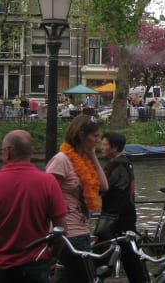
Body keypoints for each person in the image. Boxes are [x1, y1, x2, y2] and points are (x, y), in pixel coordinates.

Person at [0, 130, 68, 283]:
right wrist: (52, 253)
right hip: (36, 263)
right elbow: (61, 228)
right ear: (30, 151)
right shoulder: (48, 182)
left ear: (8, 151)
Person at [46, 114, 108, 283]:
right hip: (68, 234)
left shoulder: (85, 161)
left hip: (83, 232)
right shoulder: (61, 160)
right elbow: (46, 194)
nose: (98, 140)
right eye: (94, 136)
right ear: (82, 135)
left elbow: (104, 187)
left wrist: (93, 156)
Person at [100, 132, 146, 283]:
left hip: (118, 215)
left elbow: (102, 187)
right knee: (127, 252)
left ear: (114, 147)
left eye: (105, 144)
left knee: (123, 252)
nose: (101, 147)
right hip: (124, 213)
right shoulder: (125, 161)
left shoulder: (118, 165)